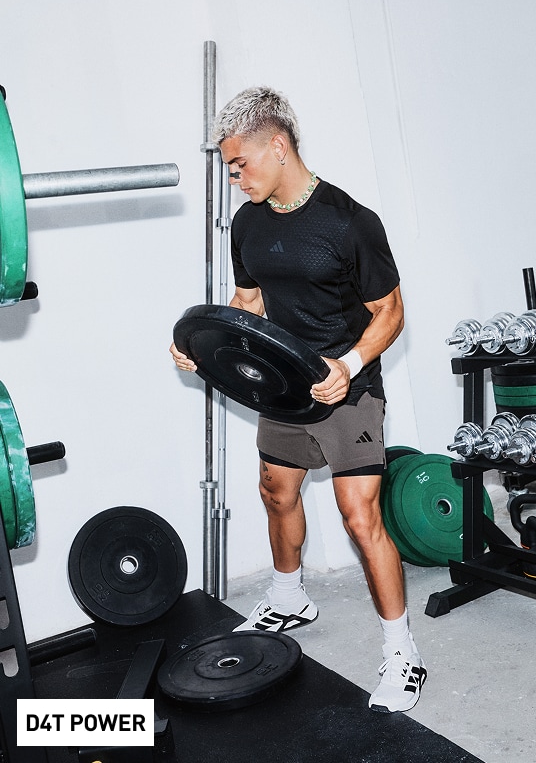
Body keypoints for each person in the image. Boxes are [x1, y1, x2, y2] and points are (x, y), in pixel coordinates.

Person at [170, 86, 426, 712]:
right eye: (230, 167)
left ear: (277, 147)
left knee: (358, 516)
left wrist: (351, 363)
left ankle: (404, 655)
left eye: (239, 164)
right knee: (275, 491)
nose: (235, 178)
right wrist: (204, 346)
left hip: (348, 388)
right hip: (284, 384)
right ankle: (289, 597)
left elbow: (389, 311)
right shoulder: (251, 223)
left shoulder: (349, 222)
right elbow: (250, 301)